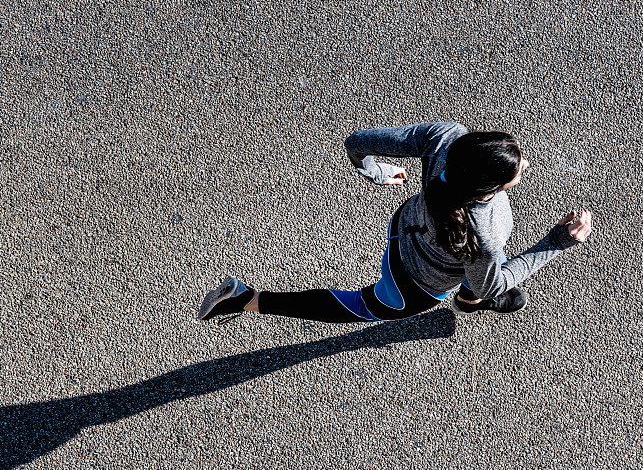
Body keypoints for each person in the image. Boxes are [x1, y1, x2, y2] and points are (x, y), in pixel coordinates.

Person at [198, 122, 592, 325]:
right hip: (415, 286)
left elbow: (356, 143)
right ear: (488, 186)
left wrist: (374, 169)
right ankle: (247, 299)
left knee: (476, 276)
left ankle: (468, 302)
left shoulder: (447, 139)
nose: (523, 164)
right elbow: (493, 278)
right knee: (362, 307)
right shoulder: (484, 235)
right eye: (516, 168)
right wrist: (556, 242)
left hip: (403, 231)